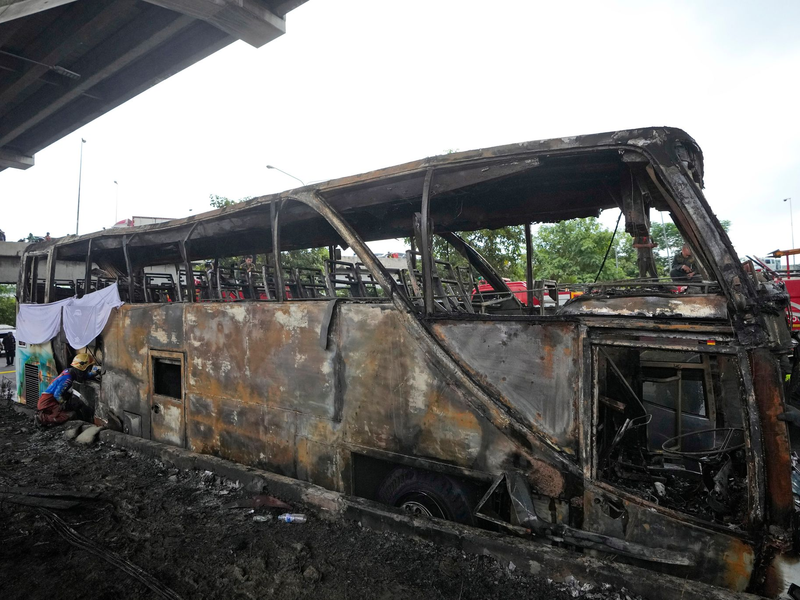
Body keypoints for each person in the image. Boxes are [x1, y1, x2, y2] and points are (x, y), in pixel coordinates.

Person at [35, 353, 101, 427]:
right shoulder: (68, 378)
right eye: (88, 367)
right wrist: (64, 405)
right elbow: (57, 394)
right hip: (48, 402)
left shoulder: (70, 371)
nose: (89, 369)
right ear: (83, 367)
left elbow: (83, 376)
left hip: (48, 399)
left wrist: (94, 373)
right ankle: (42, 418)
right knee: (70, 415)